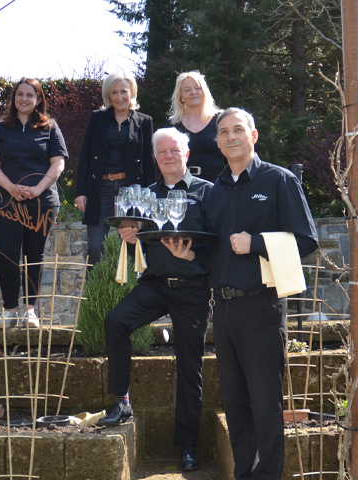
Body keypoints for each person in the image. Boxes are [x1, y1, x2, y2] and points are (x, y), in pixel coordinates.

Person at [206, 108, 318, 479]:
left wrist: (255, 243)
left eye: (238, 130)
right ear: (217, 141)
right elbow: (209, 248)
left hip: (262, 309)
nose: (231, 136)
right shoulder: (213, 192)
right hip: (222, 312)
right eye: (223, 132)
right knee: (235, 406)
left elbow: (306, 240)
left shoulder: (279, 181)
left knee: (265, 405)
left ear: (254, 136)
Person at [97, 127, 211, 472]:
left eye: (174, 151)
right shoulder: (144, 195)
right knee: (116, 320)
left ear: (186, 155)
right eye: (162, 152)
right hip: (156, 284)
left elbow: (217, 243)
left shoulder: (208, 193)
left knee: (190, 365)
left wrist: (194, 258)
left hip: (193, 290)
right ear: (155, 159)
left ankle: (188, 446)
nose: (168, 156)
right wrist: (129, 236)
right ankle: (122, 400)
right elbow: (139, 242)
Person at [0, 78, 68, 327]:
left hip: (41, 202)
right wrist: (11, 188)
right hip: (6, 203)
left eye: (30, 95)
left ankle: (30, 311)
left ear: (38, 99)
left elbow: (58, 163)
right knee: (8, 256)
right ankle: (10, 311)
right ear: (13, 98)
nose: (24, 99)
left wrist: (37, 189)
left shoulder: (50, 127)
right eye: (19, 94)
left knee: (34, 256)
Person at [75, 72, 156, 266]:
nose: (120, 97)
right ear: (108, 96)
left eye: (124, 92)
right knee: (95, 247)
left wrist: (151, 193)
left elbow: (149, 160)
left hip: (131, 190)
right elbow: (85, 154)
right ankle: (94, 295)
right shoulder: (98, 119)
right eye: (114, 92)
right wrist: (81, 192)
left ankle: (129, 293)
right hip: (100, 188)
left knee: (129, 245)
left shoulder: (144, 121)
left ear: (132, 93)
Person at [167, 71, 226, 182]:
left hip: (216, 184)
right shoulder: (173, 124)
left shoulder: (221, 119)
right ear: (181, 96)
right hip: (181, 184)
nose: (193, 92)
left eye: (197, 88)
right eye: (187, 90)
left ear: (204, 91)